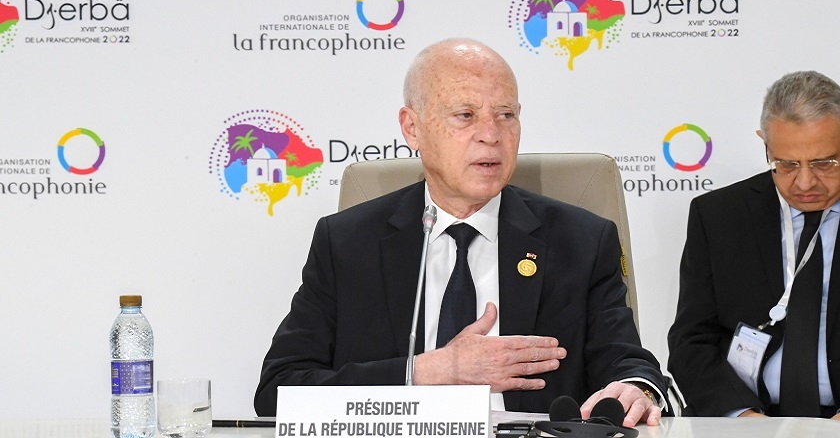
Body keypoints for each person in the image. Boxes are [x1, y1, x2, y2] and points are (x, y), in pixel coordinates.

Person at [255, 38, 667, 426]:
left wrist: (638, 389)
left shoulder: (580, 242)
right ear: (412, 128)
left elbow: (628, 363)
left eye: (506, 115)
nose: (491, 135)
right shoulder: (348, 243)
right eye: (465, 116)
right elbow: (279, 392)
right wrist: (430, 371)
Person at [668, 70, 840, 419]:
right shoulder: (718, 216)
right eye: (787, 164)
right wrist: (742, 418)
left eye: (824, 163)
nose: (805, 182)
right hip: (745, 417)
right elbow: (692, 341)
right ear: (765, 145)